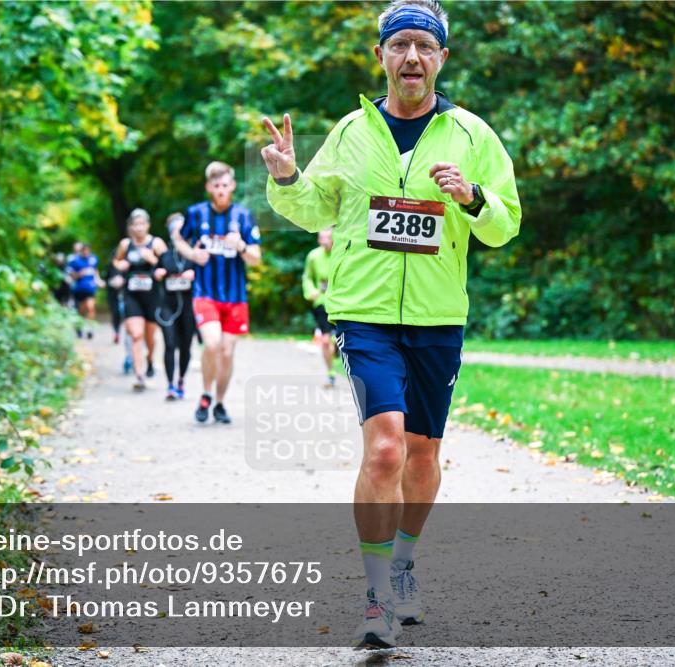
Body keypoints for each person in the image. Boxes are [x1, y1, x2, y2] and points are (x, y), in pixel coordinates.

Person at [262, 0, 521, 649]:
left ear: (442, 58)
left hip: (438, 317)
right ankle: (376, 597)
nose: (411, 57)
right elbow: (311, 204)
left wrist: (470, 197)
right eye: (399, 44)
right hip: (365, 311)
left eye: (424, 47)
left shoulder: (472, 136)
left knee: (424, 453)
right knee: (384, 447)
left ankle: (404, 561)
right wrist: (287, 174)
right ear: (379, 54)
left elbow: (506, 223)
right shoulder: (352, 132)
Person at [172, 161, 261, 424]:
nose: (220, 190)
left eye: (225, 185)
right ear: (208, 187)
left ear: (232, 186)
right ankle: (206, 394)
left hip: (235, 297)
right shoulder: (196, 213)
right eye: (216, 185)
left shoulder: (243, 216)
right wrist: (192, 254)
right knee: (212, 343)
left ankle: (220, 403)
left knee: (227, 351)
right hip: (205, 292)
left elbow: (256, 258)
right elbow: (178, 238)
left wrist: (241, 245)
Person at [113, 209, 167, 391]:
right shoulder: (125, 244)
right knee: (136, 335)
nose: (139, 228)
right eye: (135, 225)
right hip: (132, 295)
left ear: (148, 225)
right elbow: (116, 262)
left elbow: (168, 264)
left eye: (142, 224)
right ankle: (139, 375)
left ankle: (150, 359)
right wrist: (121, 266)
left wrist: (152, 259)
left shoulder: (156, 243)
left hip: (152, 296)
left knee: (150, 336)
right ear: (130, 227)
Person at [154, 213, 197, 401]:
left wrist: (194, 274)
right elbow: (152, 272)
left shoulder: (195, 254)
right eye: (174, 230)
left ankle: (181, 380)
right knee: (170, 344)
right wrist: (158, 273)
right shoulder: (164, 255)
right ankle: (170, 384)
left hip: (189, 306)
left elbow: (206, 274)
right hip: (167, 305)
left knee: (186, 346)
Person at [302, 228, 337, 388]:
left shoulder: (342, 253)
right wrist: (311, 292)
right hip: (321, 302)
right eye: (322, 238)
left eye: (328, 237)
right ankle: (330, 374)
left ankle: (336, 345)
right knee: (325, 340)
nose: (325, 241)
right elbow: (307, 277)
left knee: (337, 340)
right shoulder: (313, 256)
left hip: (341, 302)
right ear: (318, 240)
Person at [67, 243, 104, 339]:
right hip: (79, 289)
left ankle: (90, 328)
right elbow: (71, 275)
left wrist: (98, 280)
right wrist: (80, 274)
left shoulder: (93, 259)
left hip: (90, 288)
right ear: (81, 251)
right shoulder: (75, 261)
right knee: (81, 310)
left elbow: (95, 271)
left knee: (91, 307)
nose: (86, 252)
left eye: (88, 250)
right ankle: (79, 327)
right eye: (84, 250)